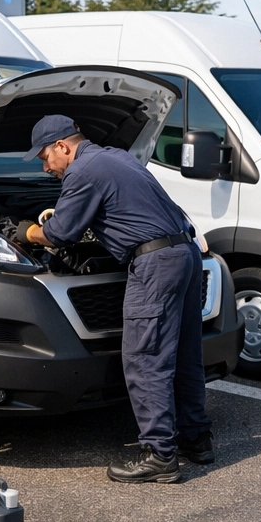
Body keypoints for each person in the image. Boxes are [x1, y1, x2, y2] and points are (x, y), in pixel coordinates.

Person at [15, 113, 215, 483]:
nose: (46, 168)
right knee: (185, 354)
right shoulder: (117, 157)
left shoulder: (81, 171)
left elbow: (60, 234)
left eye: (45, 157)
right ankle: (196, 439)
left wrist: (26, 232)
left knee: (145, 357)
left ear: (62, 145)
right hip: (185, 254)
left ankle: (159, 455)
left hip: (154, 263)